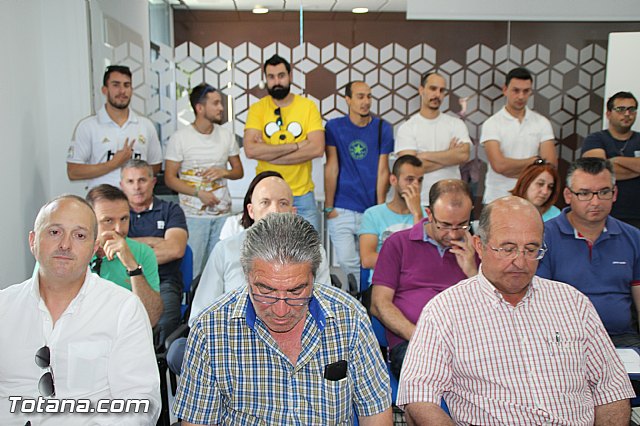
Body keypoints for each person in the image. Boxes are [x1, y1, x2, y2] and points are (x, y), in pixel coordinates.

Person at [398, 196, 635, 424]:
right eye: (507, 249)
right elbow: (419, 396)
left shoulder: (573, 303)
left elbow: (612, 388)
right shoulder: (445, 311)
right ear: (479, 245)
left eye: (531, 249)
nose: (520, 262)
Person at [173, 213, 392, 425]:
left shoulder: (349, 317)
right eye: (265, 291)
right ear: (247, 276)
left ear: (314, 277)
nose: (280, 310)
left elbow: (375, 412)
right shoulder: (211, 329)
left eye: (296, 291)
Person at [0, 195, 160, 425]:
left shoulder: (123, 309)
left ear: (94, 248)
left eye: (80, 235)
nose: (65, 244)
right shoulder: (5, 306)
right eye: (54, 232)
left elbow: (141, 403)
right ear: (33, 241)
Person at [166, 172, 332, 375]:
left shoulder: (314, 252)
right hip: (233, 351)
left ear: (293, 211)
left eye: (283, 203)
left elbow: (325, 311)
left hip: (295, 349)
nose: (274, 211)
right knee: (180, 351)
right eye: (265, 202)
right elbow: (200, 316)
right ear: (251, 211)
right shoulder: (226, 249)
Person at [370, 179, 478, 379]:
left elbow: (492, 308)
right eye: (445, 225)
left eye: (462, 225)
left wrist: (473, 272)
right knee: (438, 376)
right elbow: (379, 304)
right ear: (429, 214)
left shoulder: (476, 251)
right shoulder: (398, 243)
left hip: (464, 343)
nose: (453, 234)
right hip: (411, 341)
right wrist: (422, 338)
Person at [538, 157, 640, 346]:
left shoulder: (633, 237)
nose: (596, 202)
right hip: (563, 339)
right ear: (568, 195)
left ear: (615, 193)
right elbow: (537, 298)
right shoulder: (544, 236)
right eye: (584, 193)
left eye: (604, 192)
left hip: (621, 339)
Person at [165, 83, 244, 275]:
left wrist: (224, 172)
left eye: (220, 103)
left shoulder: (226, 136)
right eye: (215, 103)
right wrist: (198, 193)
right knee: (192, 271)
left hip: (223, 216)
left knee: (222, 270)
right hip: (193, 217)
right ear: (200, 108)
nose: (221, 108)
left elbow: (238, 171)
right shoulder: (180, 138)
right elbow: (169, 179)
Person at [243, 54, 325, 232]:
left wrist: (269, 153)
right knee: (266, 247)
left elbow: (317, 148)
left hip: (301, 196)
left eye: (281, 75)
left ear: (290, 76)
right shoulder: (257, 109)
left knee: (310, 248)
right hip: (266, 196)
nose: (277, 81)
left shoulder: (307, 106)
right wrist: (296, 145)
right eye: (271, 77)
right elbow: (250, 150)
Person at [324, 80, 394, 288]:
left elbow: (383, 170)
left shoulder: (383, 128)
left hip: (370, 210)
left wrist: (380, 209)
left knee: (371, 261)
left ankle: (366, 297)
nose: (366, 102)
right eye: (360, 96)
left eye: (369, 96)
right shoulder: (334, 127)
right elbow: (332, 166)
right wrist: (329, 206)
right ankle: (358, 297)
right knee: (347, 261)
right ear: (348, 99)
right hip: (342, 207)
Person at [120, 159, 188, 339]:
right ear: (122, 185)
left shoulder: (171, 210)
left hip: (163, 282)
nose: (137, 187)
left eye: (142, 180)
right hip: (122, 280)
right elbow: (108, 248)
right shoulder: (117, 215)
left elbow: (175, 249)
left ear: (153, 182)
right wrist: (154, 241)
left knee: (161, 329)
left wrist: (128, 245)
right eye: (130, 181)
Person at [67, 65, 162, 188]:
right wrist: (113, 163)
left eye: (126, 85)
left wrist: (135, 176)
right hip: (102, 197)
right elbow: (73, 172)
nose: (122, 91)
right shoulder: (88, 126)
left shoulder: (146, 125)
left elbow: (156, 166)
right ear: (104, 90)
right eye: (116, 85)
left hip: (137, 198)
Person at [86, 184, 163, 327]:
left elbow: (151, 319)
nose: (119, 229)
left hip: (124, 333)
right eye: (108, 220)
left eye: (124, 219)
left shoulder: (143, 253)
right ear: (89, 221)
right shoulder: (71, 251)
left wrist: (133, 267)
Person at [481, 66, 557, 204]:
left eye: (526, 91)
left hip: (532, 198)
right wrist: (535, 162)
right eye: (516, 90)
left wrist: (511, 168)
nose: (521, 96)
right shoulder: (492, 124)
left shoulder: (542, 122)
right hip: (498, 197)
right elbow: (499, 165)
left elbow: (550, 165)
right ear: (505, 90)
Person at [395, 72, 471, 204]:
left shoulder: (456, 124)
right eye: (433, 88)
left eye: (442, 90)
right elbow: (409, 168)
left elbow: (464, 155)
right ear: (421, 90)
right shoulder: (407, 128)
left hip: (452, 200)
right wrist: (450, 156)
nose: (437, 94)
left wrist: (424, 156)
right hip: (419, 202)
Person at [359, 155, 424, 282]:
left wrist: (417, 214)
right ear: (393, 180)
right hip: (383, 282)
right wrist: (409, 261)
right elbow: (367, 260)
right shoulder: (373, 214)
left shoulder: (427, 215)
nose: (416, 186)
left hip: (417, 283)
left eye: (420, 180)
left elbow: (425, 256)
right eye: (410, 179)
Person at [582, 91, 640, 228]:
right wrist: (636, 168)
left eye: (631, 109)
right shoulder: (595, 139)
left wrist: (616, 160)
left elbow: (607, 168)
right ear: (608, 113)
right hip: (605, 215)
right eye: (621, 109)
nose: (627, 114)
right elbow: (599, 171)